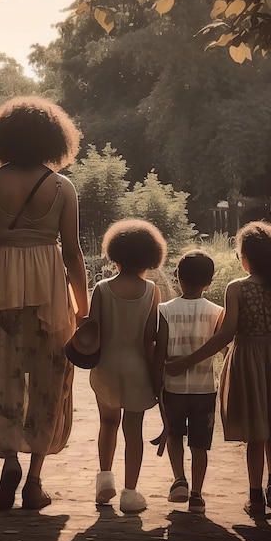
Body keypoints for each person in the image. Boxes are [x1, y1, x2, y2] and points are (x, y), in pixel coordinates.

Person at [0, 96, 89, 511]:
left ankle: (10, 459)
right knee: (50, 379)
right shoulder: (62, 187)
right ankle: (34, 479)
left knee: (5, 374)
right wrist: (83, 308)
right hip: (50, 286)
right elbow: (72, 253)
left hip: (2, 283)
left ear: (3, 137)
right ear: (55, 138)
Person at [166, 221, 271, 517]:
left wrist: (186, 361)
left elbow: (225, 334)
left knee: (256, 432)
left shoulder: (238, 288)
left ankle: (255, 497)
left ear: (247, 257)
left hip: (248, 361)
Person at [89, 219, 165, 514]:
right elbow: (150, 338)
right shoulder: (151, 291)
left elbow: (93, 331)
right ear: (151, 256)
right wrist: (155, 373)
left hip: (106, 366)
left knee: (107, 423)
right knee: (134, 430)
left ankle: (104, 480)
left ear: (115, 252)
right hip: (136, 368)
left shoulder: (102, 289)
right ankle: (130, 493)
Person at [152, 250, 224, 513]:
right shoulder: (217, 313)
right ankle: (197, 494)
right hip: (205, 389)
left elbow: (159, 352)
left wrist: (155, 382)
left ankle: (179, 480)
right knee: (200, 444)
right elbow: (222, 349)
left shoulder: (165, 310)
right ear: (209, 282)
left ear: (177, 277)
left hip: (173, 388)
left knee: (174, 435)